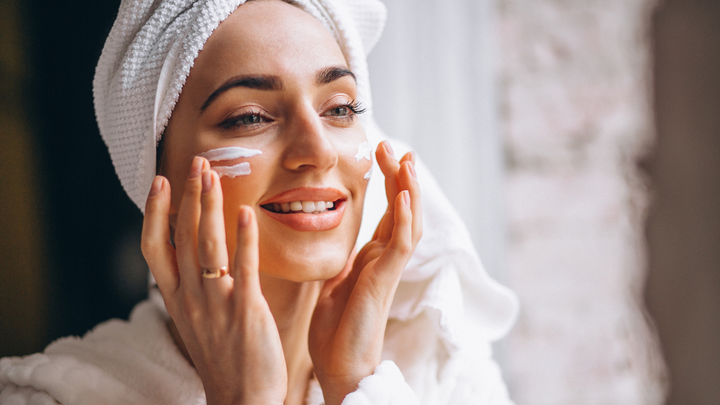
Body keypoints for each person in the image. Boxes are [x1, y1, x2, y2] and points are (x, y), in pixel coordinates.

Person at [0, 0, 519, 404]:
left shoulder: (446, 378)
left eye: (340, 108)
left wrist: (356, 386)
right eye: (250, 117)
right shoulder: (53, 395)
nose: (317, 151)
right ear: (162, 182)